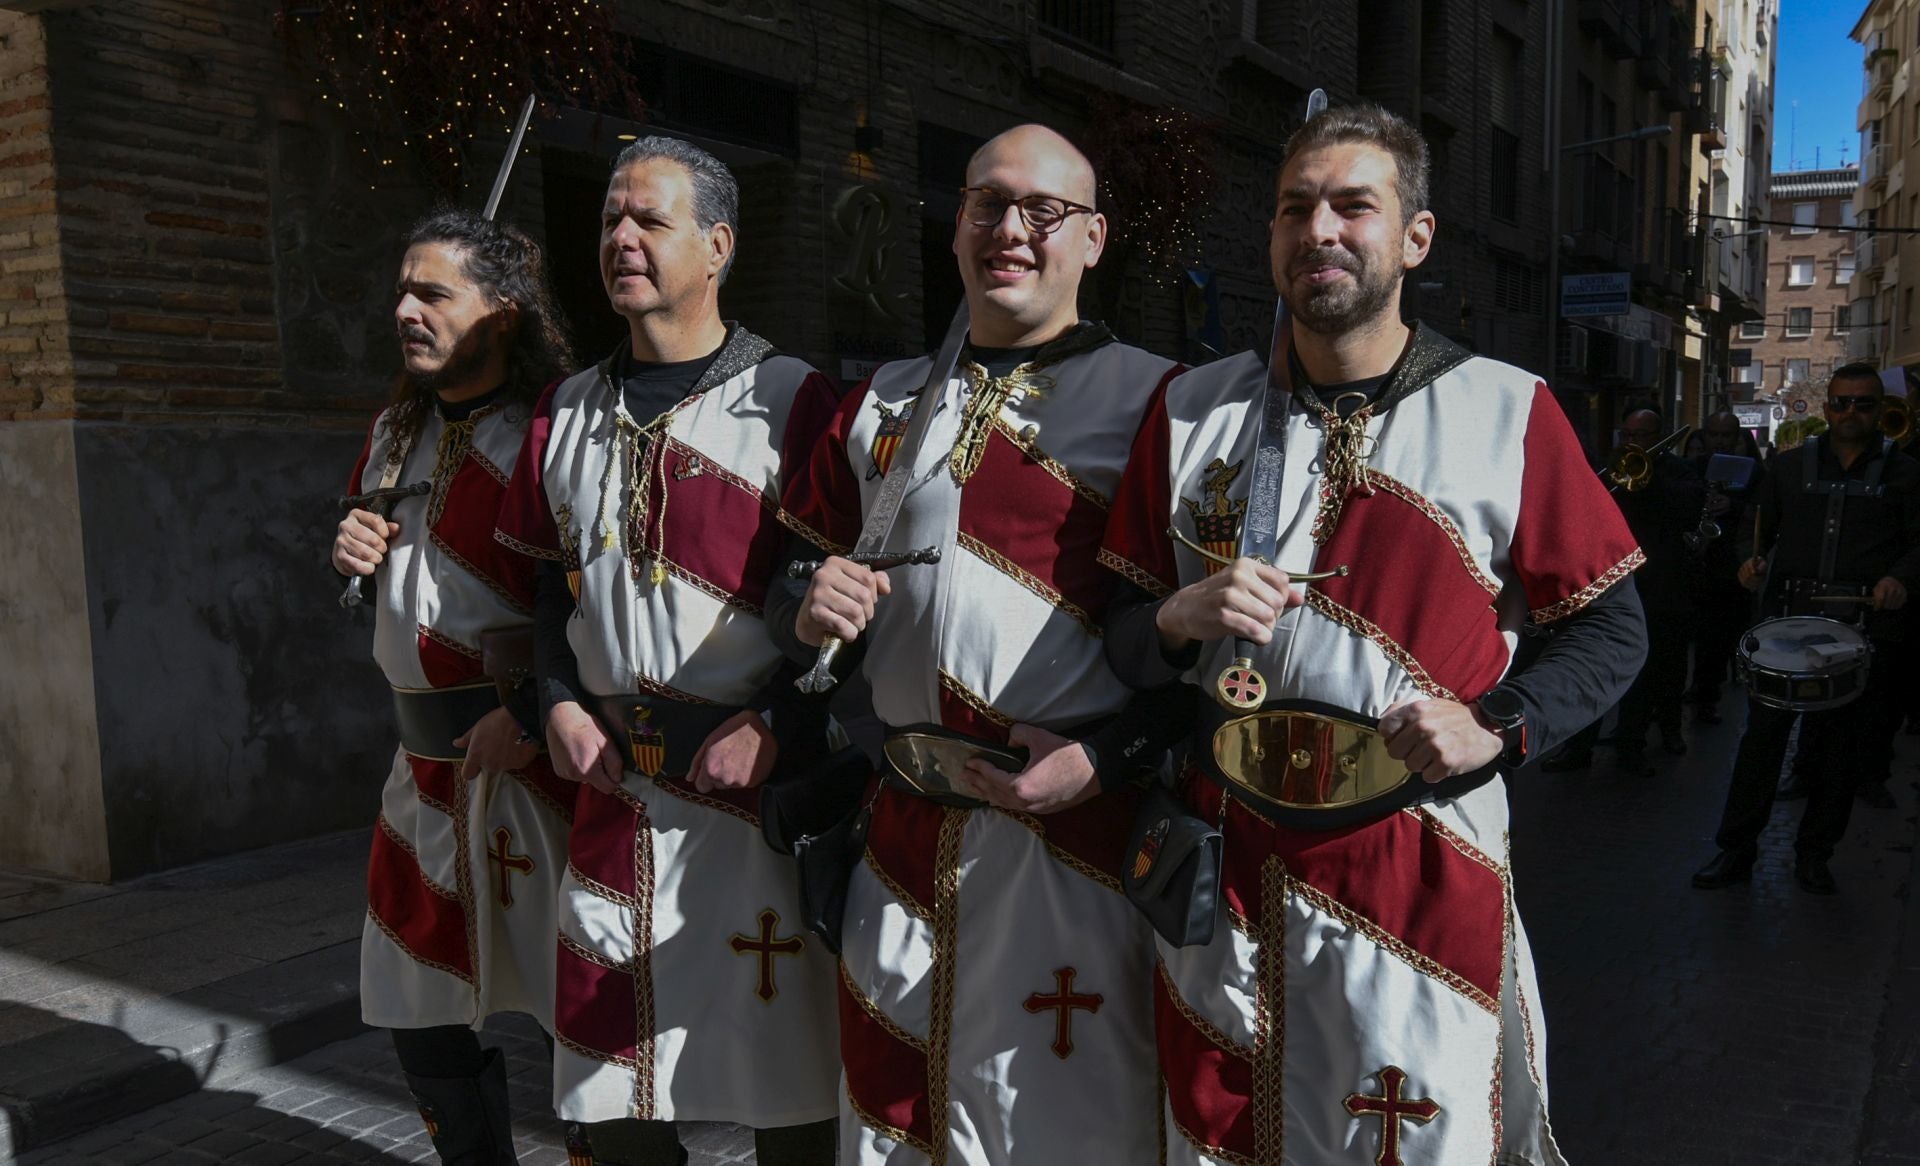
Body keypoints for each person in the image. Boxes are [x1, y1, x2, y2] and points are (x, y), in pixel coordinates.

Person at [1098, 104, 1647, 1165]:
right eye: (1296, 207)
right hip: (1227, 869)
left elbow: (1612, 627)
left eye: (1355, 204)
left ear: (1415, 237)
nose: (1321, 230)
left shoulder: (1508, 410)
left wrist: (1500, 721)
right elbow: (1118, 637)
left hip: (1417, 862)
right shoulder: (1189, 411)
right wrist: (1173, 616)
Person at [768, 124, 1182, 1166]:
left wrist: (1116, 755)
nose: (1009, 230)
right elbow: (792, 568)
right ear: (954, 225)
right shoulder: (884, 400)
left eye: (1042, 212)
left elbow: (1203, 652)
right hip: (902, 833)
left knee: (1065, 1130)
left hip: (1073, 845)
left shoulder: (1164, 403)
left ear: (1092, 237)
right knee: (894, 1121)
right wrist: (803, 599)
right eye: (985, 204)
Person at [493, 137, 840, 1165]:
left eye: (650, 219)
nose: (621, 238)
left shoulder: (795, 401)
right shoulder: (566, 412)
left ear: (718, 245)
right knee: (611, 1106)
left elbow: (853, 616)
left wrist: (780, 723)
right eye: (608, 219)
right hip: (613, 804)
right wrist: (553, 700)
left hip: (752, 808)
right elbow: (546, 591)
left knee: (790, 1100)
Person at [333, 210, 577, 1164]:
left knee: (576, 1012)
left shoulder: (557, 432)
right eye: (403, 290)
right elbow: (388, 585)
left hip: (530, 770)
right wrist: (351, 552)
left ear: (503, 312)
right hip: (421, 779)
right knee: (417, 1009)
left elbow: (598, 602)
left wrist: (530, 712)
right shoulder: (394, 430)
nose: (405, 309)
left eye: (432, 292)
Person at [1692, 364, 1920, 895]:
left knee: (1840, 752)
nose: (1850, 413)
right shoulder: (1791, 467)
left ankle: (1815, 855)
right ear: (1827, 407)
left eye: (1864, 404)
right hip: (1787, 623)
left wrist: (1900, 578)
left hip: (1861, 629)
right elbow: (1757, 527)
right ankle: (1736, 851)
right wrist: (1750, 562)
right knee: (1761, 744)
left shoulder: (1906, 474)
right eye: (1841, 403)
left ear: (1878, 409)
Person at [1545, 409, 1703, 775]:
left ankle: (1631, 748)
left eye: (1642, 436)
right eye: (1627, 434)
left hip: (1657, 586)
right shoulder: (1611, 471)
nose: (1633, 443)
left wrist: (1650, 480)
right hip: (1609, 582)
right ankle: (1578, 748)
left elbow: (1688, 511)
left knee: (1644, 674)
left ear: (1658, 436)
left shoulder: (1678, 474)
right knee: (1591, 667)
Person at [1684, 411, 1765, 725]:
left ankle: (1707, 696)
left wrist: (1734, 506)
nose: (1719, 441)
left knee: (1719, 635)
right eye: (1713, 434)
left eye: (1726, 435)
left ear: (1737, 437)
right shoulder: (1693, 468)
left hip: (1731, 565)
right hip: (1696, 563)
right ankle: (1693, 689)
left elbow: (1764, 513)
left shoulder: (1754, 473)